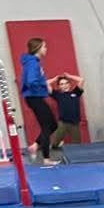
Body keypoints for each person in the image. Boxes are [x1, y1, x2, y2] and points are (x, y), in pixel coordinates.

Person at [19, 37, 59, 165]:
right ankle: (46, 159)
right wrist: (42, 87)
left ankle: (35, 146)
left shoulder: (33, 62)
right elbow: (31, 81)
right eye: (44, 47)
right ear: (38, 48)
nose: (46, 49)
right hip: (34, 97)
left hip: (35, 97)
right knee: (47, 126)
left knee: (53, 125)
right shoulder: (32, 63)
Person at [49, 72, 84, 148]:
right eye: (62, 84)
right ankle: (58, 144)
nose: (64, 85)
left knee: (77, 145)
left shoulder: (76, 92)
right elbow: (46, 83)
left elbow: (81, 80)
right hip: (63, 123)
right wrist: (55, 79)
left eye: (66, 83)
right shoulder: (58, 95)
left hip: (74, 123)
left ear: (69, 84)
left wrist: (69, 76)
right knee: (54, 144)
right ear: (59, 86)